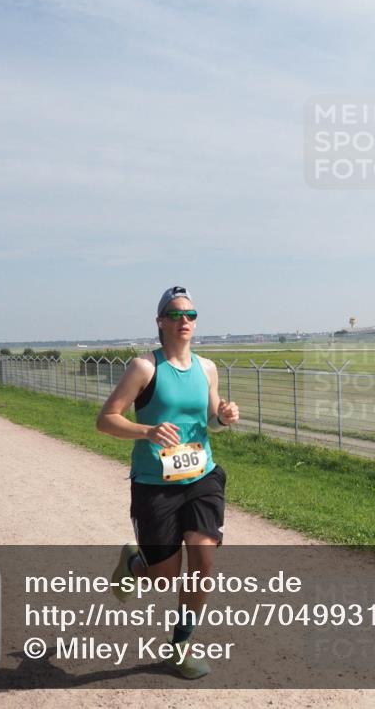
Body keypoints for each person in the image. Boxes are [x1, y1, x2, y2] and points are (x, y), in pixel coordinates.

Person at [96, 286, 239, 680]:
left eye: (191, 315)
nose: (185, 321)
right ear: (160, 321)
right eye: (176, 315)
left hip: (202, 476)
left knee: (203, 559)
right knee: (165, 576)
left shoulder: (207, 368)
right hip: (154, 483)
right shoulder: (145, 368)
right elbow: (106, 419)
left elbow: (210, 420)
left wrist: (223, 416)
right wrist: (147, 431)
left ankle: (181, 646)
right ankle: (136, 561)